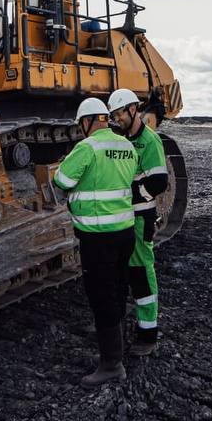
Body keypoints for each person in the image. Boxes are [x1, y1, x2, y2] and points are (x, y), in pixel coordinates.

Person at [52, 97, 138, 385]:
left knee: (102, 297)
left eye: (81, 124)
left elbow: (62, 181)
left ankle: (112, 364)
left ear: (87, 122)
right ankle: (118, 346)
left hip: (98, 236)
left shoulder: (87, 147)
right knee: (118, 289)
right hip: (125, 231)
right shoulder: (126, 145)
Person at [107, 88, 169, 356]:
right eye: (113, 115)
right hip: (122, 219)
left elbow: (159, 182)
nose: (116, 119)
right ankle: (119, 327)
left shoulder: (149, 140)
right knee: (120, 274)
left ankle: (148, 334)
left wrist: (132, 194)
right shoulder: (121, 139)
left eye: (119, 113)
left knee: (141, 274)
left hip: (141, 218)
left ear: (133, 110)